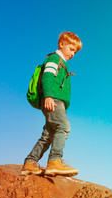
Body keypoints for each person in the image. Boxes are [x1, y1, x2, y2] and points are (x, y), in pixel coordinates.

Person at [21, 32, 82, 177]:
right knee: (63, 127)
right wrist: (48, 96)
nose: (73, 54)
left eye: (75, 51)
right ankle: (55, 161)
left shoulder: (62, 63)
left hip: (56, 102)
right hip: (53, 100)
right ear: (62, 44)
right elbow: (47, 77)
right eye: (71, 49)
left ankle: (30, 163)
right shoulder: (54, 59)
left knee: (48, 135)